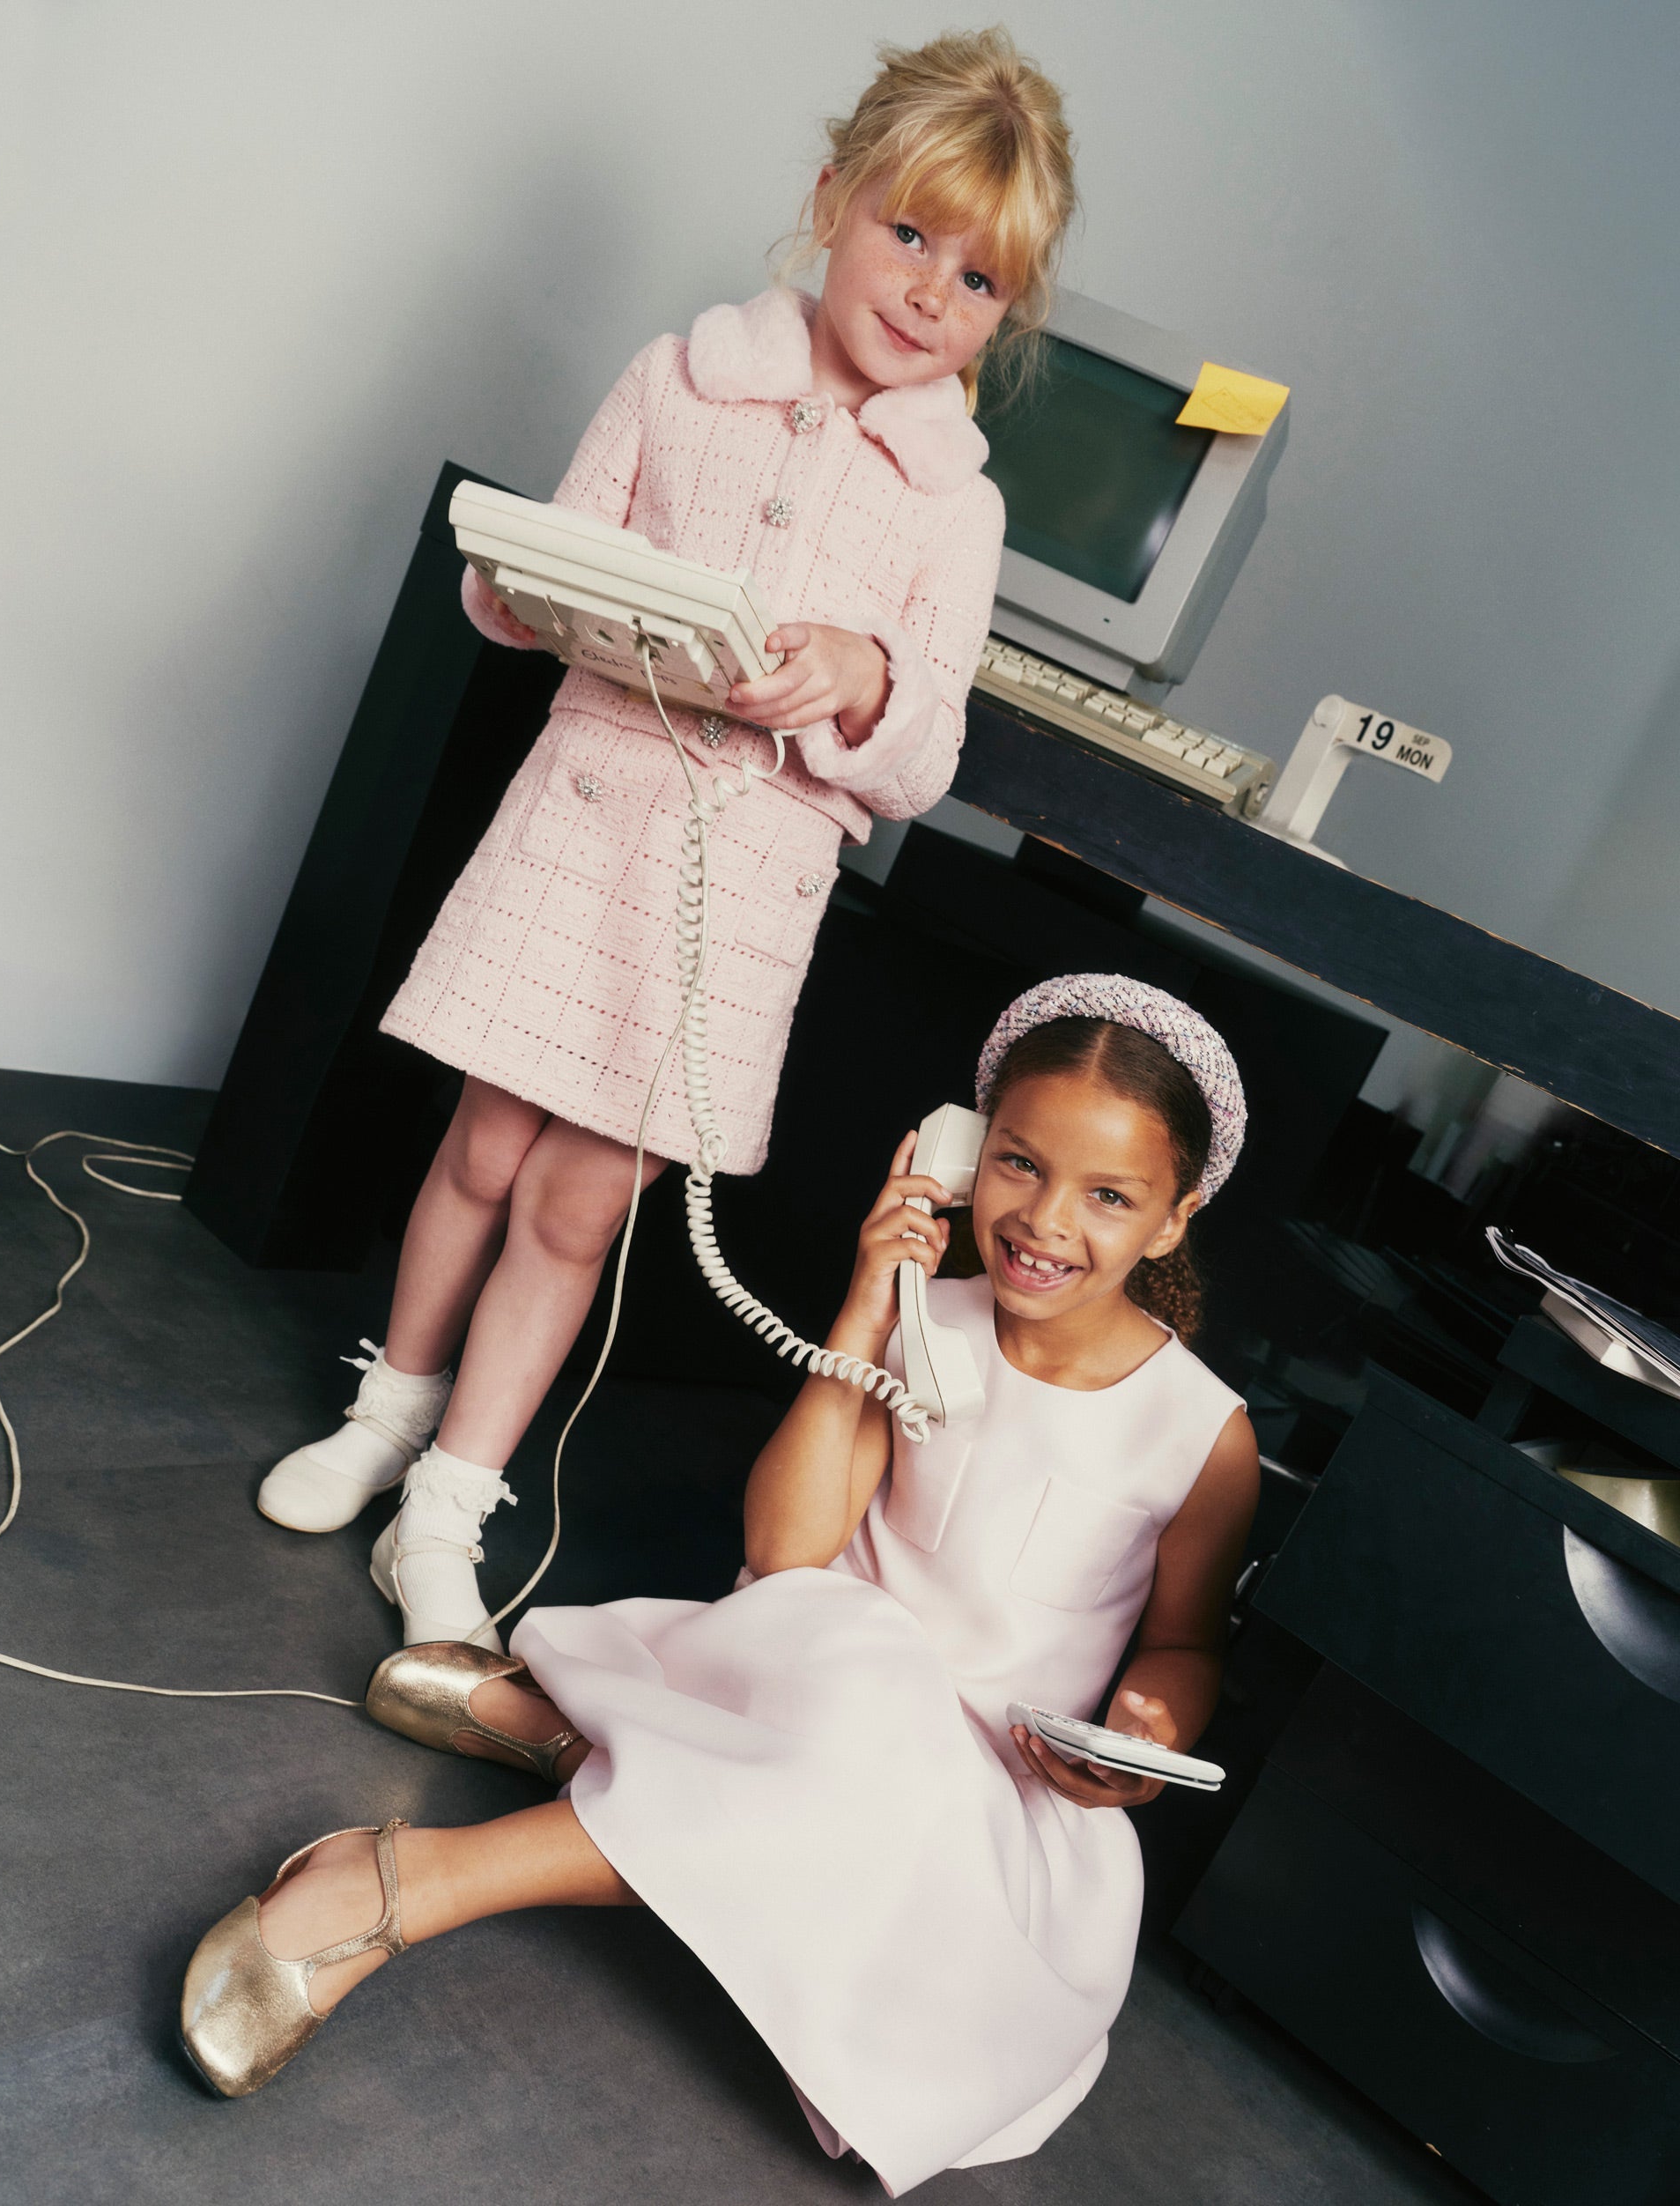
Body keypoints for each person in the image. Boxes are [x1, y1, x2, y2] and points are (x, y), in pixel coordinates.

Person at [251, 29, 1077, 1653]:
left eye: (977, 279)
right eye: (907, 233)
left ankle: (453, 1500)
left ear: (1005, 315)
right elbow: (530, 573)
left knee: (576, 1207)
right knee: (482, 1149)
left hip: (739, 896)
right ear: (832, 200)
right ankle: (388, 1413)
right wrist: (529, 581)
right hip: (582, 824)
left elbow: (925, 754)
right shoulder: (680, 377)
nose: (927, 291)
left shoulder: (954, 503)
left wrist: (865, 675)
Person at [181, 975, 1262, 2195]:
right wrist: (865, 1311)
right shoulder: (925, 1319)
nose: (1045, 1220)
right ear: (962, 1154)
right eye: (1016, 1164)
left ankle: (582, 1743)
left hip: (987, 1783)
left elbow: (1184, 1648)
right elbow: (791, 1551)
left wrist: (1152, 1724)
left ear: (1175, 1220)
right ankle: (407, 1882)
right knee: (862, 1710)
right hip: (818, 1676)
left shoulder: (1200, 1433)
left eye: (1109, 1196)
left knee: (897, 1845)